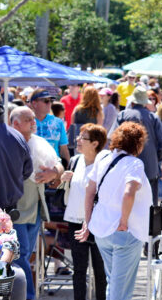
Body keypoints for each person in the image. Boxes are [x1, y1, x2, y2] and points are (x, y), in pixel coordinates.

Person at [74, 121, 152, 300]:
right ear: (138, 143)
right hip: (125, 231)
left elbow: (89, 191)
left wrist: (88, 221)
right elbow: (128, 193)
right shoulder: (135, 164)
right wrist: (124, 221)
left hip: (102, 229)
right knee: (120, 291)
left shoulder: (102, 158)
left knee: (114, 284)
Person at [9, 106, 62, 300]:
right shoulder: (7, 144)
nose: (34, 122)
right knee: (20, 255)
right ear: (15, 124)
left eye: (33, 119)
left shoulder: (40, 142)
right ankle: (28, 295)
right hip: (16, 210)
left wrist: (54, 172)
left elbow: (59, 163)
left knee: (23, 255)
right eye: (29, 119)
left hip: (37, 209)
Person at [60, 123, 108, 300]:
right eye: (78, 137)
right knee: (79, 269)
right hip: (75, 220)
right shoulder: (75, 160)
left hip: (98, 223)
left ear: (95, 143)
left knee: (100, 271)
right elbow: (67, 189)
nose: (77, 141)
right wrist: (63, 179)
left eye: (83, 138)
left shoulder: (104, 164)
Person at [113, 88, 162, 202]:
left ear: (132, 102)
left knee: (125, 202)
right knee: (149, 206)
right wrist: (155, 156)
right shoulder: (153, 117)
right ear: (145, 103)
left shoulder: (122, 115)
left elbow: (112, 140)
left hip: (126, 166)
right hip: (150, 167)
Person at [30, 89, 70, 163]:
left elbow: (64, 149)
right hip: (31, 168)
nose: (49, 103)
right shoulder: (27, 121)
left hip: (54, 168)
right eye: (46, 101)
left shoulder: (58, 122)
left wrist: (68, 168)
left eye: (51, 100)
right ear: (34, 103)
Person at [0, 207, 27, 300]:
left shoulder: (1, 216)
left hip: (1, 263)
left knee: (18, 275)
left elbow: (10, 244)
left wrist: (2, 264)